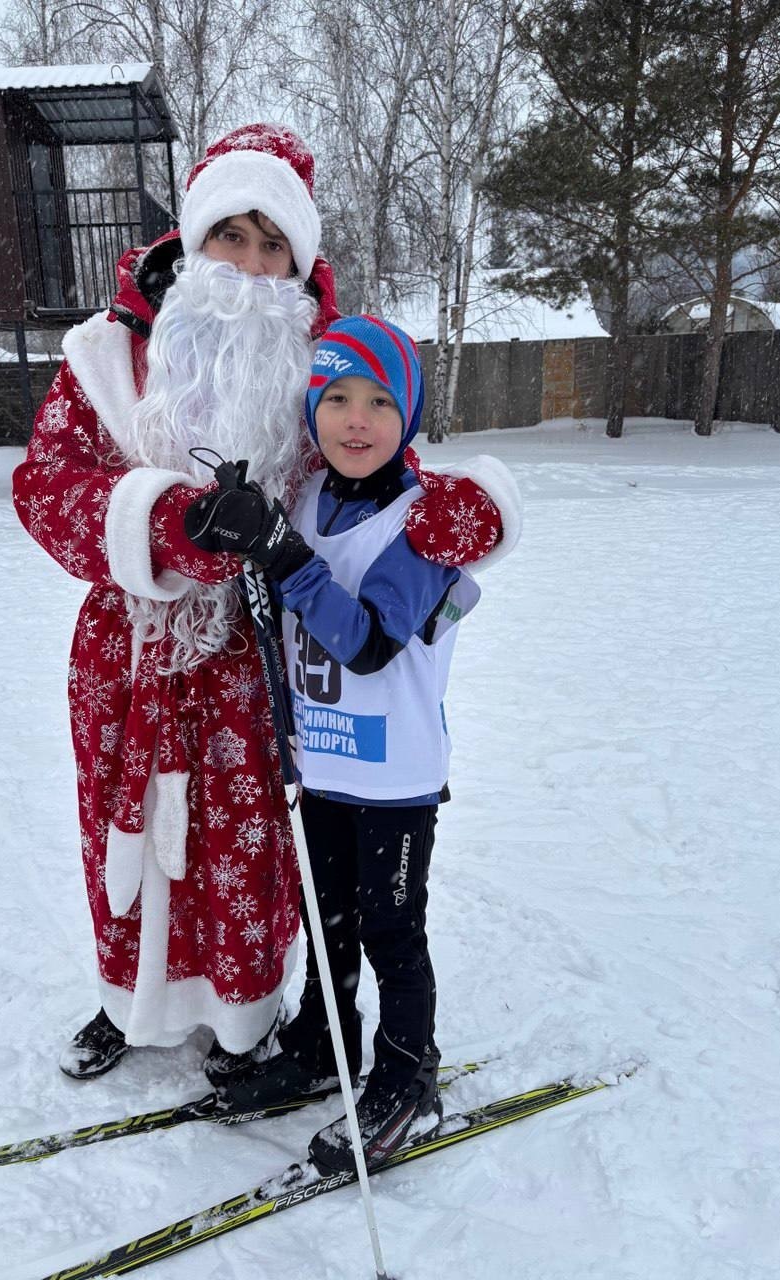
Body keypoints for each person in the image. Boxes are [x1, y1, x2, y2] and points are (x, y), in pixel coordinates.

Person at [13, 126, 501, 1090]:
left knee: (242, 847)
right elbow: (45, 486)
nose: (247, 263)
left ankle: (244, 1017)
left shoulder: (310, 370)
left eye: (272, 244)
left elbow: (376, 471)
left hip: (253, 651)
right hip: (128, 655)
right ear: (191, 243)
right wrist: (163, 525)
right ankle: (131, 999)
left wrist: (468, 511)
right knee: (125, 832)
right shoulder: (104, 360)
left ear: (299, 264)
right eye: (229, 236)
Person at [185, 315, 521, 1173]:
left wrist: (284, 555)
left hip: (395, 777)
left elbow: (367, 642)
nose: (355, 419)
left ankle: (408, 1075)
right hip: (321, 766)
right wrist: (230, 529)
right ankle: (319, 1047)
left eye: (379, 400)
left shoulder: (425, 525)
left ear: (405, 415)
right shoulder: (304, 497)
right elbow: (270, 578)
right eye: (335, 397)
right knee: (326, 925)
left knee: (389, 931)